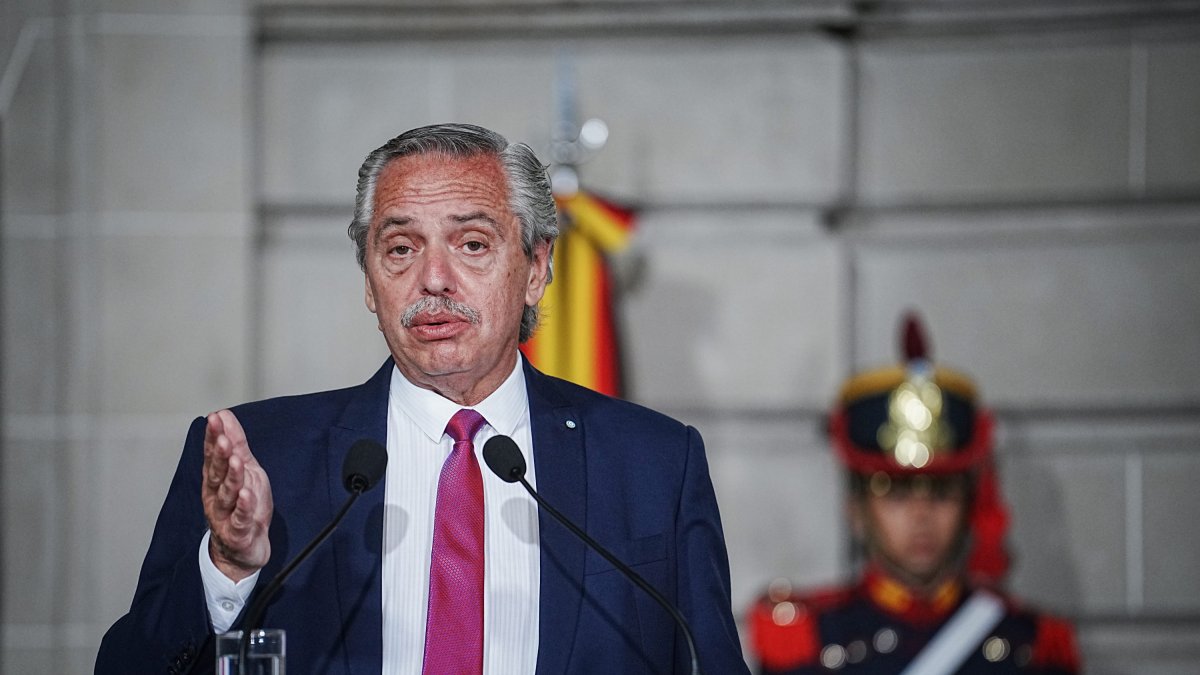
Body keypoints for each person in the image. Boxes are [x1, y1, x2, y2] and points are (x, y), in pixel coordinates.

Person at [96, 123, 749, 675]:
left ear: (537, 268)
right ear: (370, 282)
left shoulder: (655, 464)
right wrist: (226, 568)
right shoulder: (258, 456)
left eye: (471, 243)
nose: (434, 279)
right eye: (401, 248)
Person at [746, 315, 1081, 674]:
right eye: (896, 493)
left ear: (969, 502)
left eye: (941, 492)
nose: (921, 514)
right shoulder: (810, 643)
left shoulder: (1030, 646)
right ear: (856, 509)